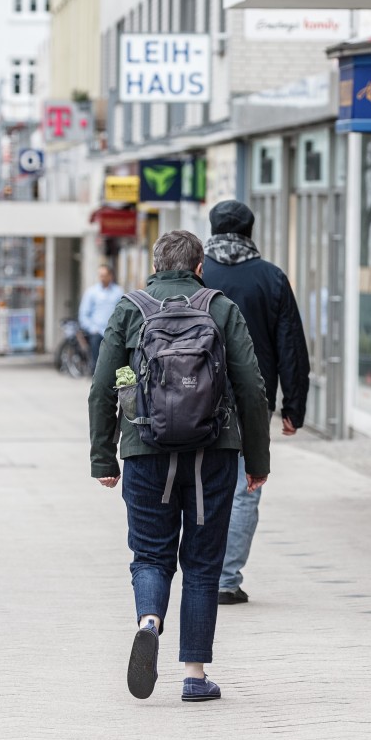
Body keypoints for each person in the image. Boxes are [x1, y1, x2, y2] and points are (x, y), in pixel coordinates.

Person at [88, 230, 270, 703]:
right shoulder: (220, 307)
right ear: (198, 267)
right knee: (204, 565)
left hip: (146, 449)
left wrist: (105, 458)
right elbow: (251, 388)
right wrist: (257, 459)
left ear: (154, 264)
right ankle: (194, 673)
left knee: (150, 555)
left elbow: (105, 386)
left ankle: (149, 620)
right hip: (213, 453)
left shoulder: (132, 308)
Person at [202, 200, 310, 606]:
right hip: (253, 399)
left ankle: (200, 574)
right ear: (250, 230)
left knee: (200, 483)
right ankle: (226, 581)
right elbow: (291, 347)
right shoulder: (271, 278)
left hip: (194, 395)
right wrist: (293, 408)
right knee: (245, 488)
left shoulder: (196, 275)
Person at [78, 264, 122, 369]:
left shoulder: (118, 292)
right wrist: (92, 329)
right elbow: (83, 314)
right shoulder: (91, 292)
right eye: (100, 275)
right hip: (96, 332)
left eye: (104, 275)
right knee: (97, 361)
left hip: (112, 332)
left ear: (110, 276)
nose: (102, 278)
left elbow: (121, 312)